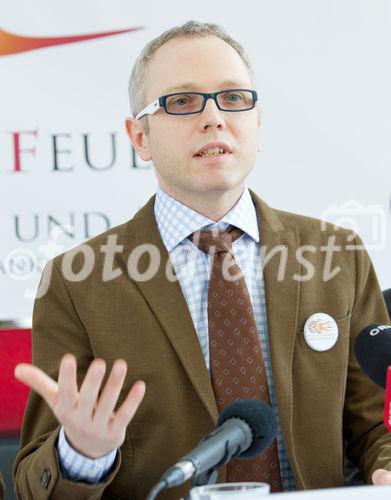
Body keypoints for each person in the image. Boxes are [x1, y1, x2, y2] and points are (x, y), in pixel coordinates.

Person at [13, 20, 391, 500]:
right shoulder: (76, 283)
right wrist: (83, 453)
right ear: (140, 137)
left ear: (257, 123)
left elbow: (376, 428)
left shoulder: (338, 254)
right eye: (183, 102)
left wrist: (386, 468)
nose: (214, 118)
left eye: (233, 98)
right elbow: (31, 486)